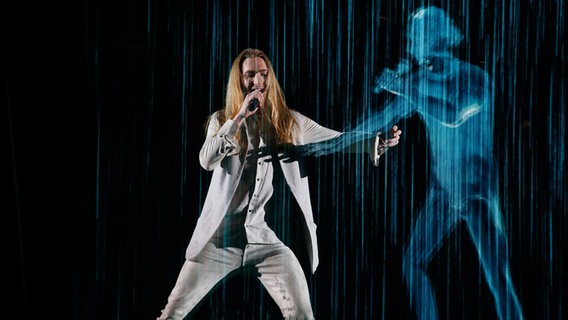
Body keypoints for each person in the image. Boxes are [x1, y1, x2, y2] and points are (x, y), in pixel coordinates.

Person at [157, 48, 402, 320]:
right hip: (218, 241)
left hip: (265, 243)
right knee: (171, 315)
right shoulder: (222, 120)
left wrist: (377, 141)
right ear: (239, 81)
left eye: (263, 74)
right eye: (250, 75)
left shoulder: (290, 122)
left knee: (302, 315)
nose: (257, 82)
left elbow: (337, 140)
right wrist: (238, 118)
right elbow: (207, 160)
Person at [350, 6, 524, 320]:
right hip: (443, 189)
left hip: (476, 188)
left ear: (432, 38)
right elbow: (383, 117)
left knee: (497, 274)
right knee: (412, 262)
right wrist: (332, 140)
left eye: (414, 36)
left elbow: (453, 114)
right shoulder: (418, 81)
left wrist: (403, 86)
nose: (409, 44)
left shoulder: (474, 77)